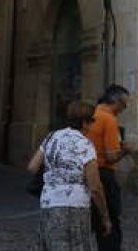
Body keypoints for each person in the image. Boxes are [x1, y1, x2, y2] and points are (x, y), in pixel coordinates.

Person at [28, 100, 111, 250]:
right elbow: (95, 187)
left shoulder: (51, 137)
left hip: (49, 203)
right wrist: (105, 216)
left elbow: (32, 167)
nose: (92, 126)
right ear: (84, 122)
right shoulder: (84, 144)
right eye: (91, 121)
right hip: (75, 206)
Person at [85, 84, 134, 251]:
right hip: (103, 174)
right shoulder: (109, 120)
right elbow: (111, 156)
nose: (123, 109)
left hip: (86, 173)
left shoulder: (91, 115)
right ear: (116, 101)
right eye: (124, 104)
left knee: (91, 219)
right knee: (109, 225)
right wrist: (125, 151)